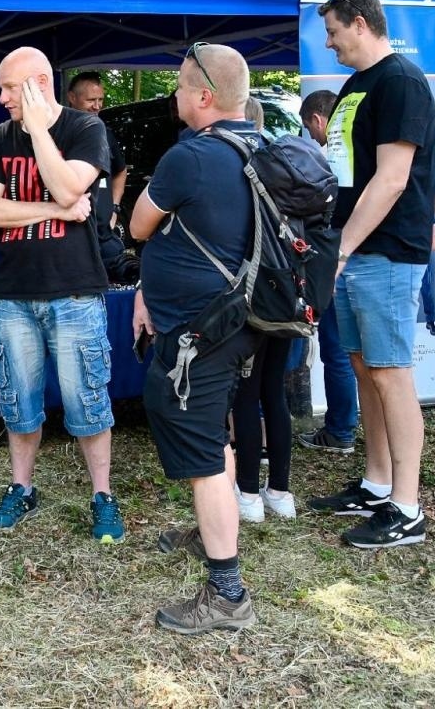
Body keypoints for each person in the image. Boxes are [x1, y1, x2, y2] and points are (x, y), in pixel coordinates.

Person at [130, 42, 261, 633]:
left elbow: (138, 223)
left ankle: (227, 593)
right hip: (248, 321)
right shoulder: (266, 146)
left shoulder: (192, 157)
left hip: (203, 329)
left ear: (204, 96)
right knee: (216, 434)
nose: (175, 96)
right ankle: (213, 526)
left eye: (180, 86)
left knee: (203, 455)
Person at [305, 0, 435, 550]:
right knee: (364, 369)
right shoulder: (357, 85)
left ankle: (407, 507)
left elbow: (392, 178)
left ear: (360, 23)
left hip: (385, 249)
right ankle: (377, 483)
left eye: (333, 31)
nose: (329, 43)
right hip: (354, 248)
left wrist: (342, 249)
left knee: (390, 372)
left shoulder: (401, 80)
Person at [0, 46, 122, 543]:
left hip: (75, 292)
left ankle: (102, 495)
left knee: (87, 402)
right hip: (15, 293)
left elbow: (67, 185)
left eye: (9, 88)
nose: (0, 99)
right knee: (18, 402)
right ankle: (22, 488)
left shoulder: (85, 129)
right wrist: (58, 212)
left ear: (38, 84)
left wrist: (39, 130)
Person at [296, 89, 357, 454]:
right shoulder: (361, 152)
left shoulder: (327, 158)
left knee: (335, 350)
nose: (313, 136)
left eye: (310, 128)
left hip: (336, 263)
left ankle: (340, 429)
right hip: (366, 261)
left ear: (319, 120)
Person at [67, 70, 133, 283]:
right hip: (73, 238)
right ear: (72, 98)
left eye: (100, 100)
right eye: (91, 100)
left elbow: (121, 171)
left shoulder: (105, 132)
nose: (97, 106)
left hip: (106, 236)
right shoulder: (58, 134)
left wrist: (114, 207)